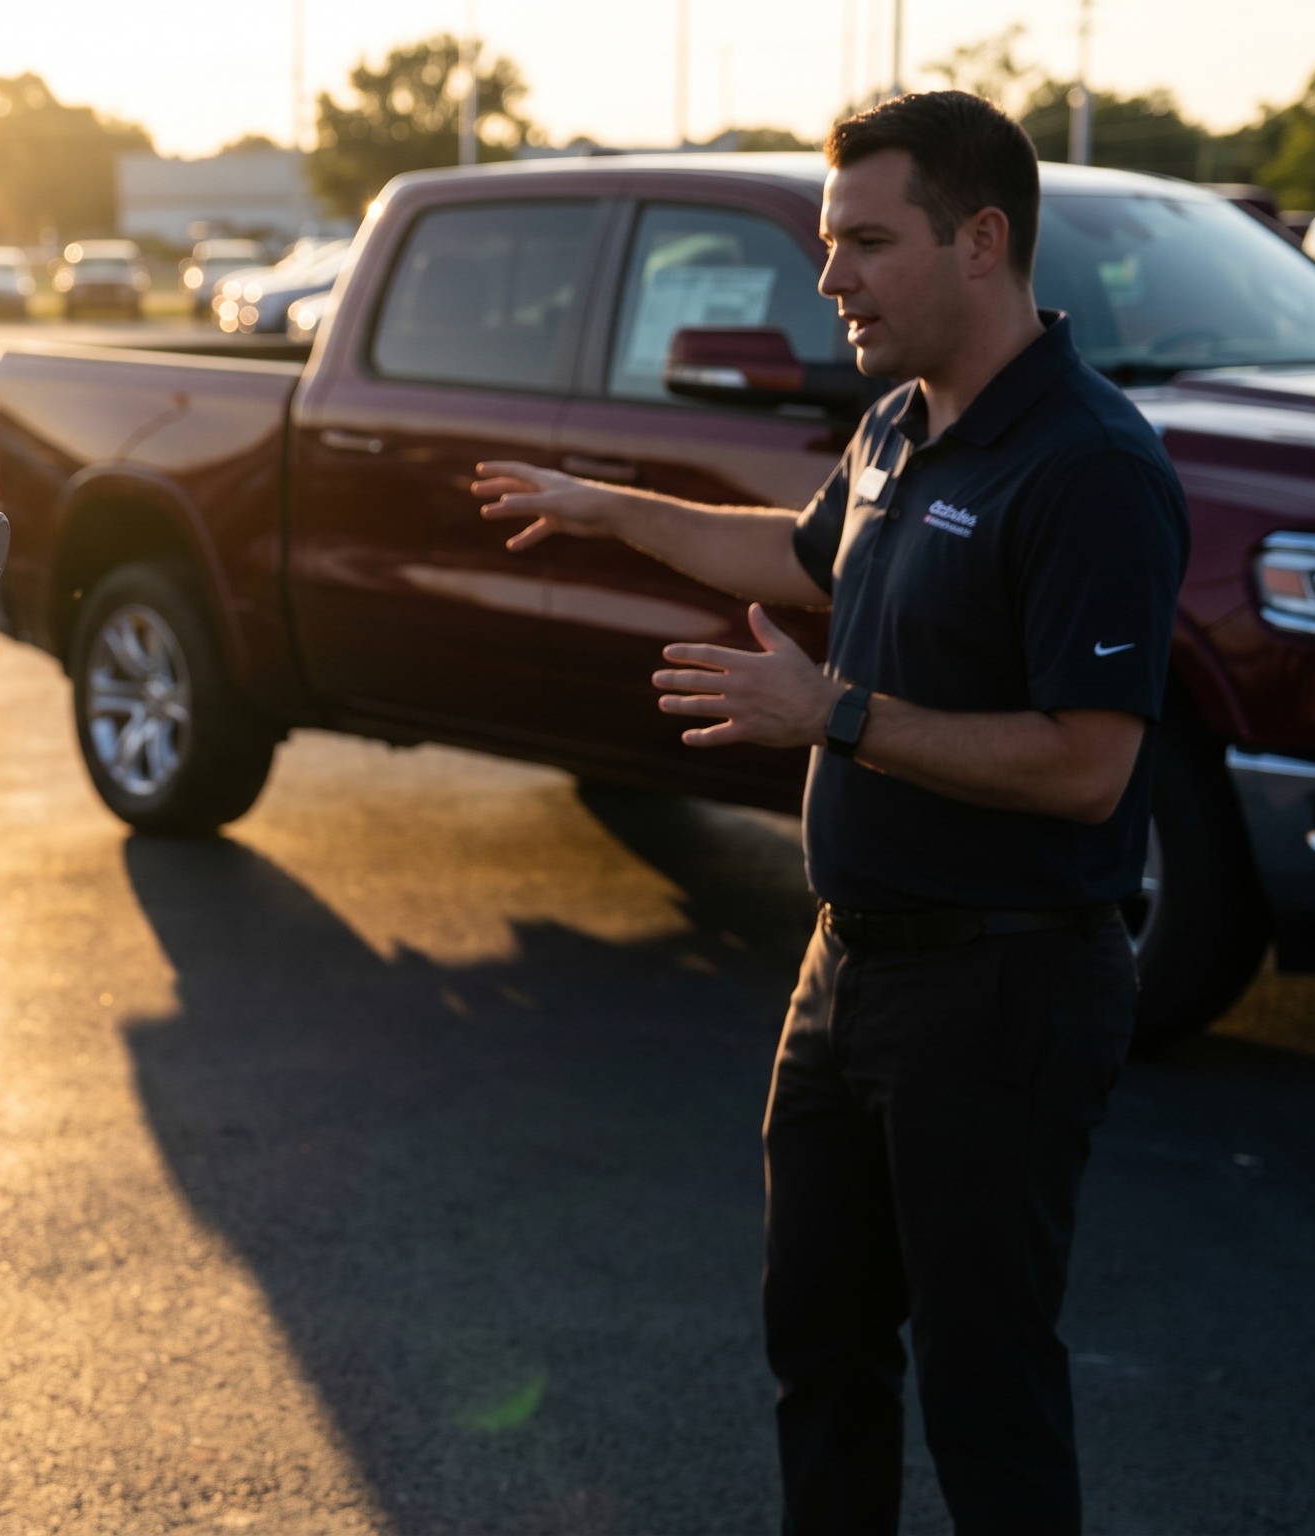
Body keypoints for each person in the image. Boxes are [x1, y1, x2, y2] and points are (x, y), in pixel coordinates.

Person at [477, 92, 1184, 1534]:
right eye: (826, 240)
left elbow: (1089, 767)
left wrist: (836, 716)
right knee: (819, 1342)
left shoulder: (1091, 468)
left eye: (865, 242)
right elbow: (808, 559)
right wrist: (610, 507)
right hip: (846, 967)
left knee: (986, 1388)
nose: (829, 278)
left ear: (980, 240)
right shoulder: (899, 422)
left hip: (1003, 983)